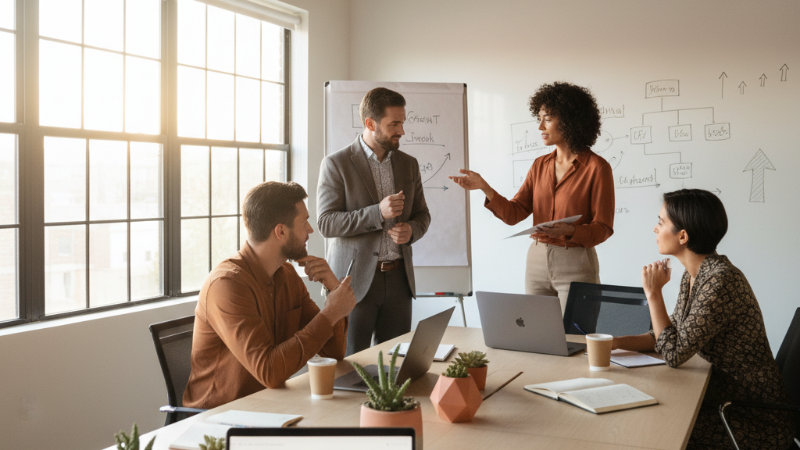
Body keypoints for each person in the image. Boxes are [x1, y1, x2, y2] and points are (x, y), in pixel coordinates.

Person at [613, 189, 794, 449]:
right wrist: (614, 343)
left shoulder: (720, 280)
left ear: (683, 236)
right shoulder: (694, 275)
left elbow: (673, 353)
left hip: (750, 419)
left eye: (661, 222)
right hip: (722, 401)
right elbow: (667, 336)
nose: (655, 228)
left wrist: (653, 294)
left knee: (657, 426)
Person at [183, 181, 355, 409]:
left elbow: (333, 352)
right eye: (304, 222)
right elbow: (269, 372)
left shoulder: (287, 275)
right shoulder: (226, 285)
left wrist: (334, 289)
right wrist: (331, 312)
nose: (310, 230)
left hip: (269, 406)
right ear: (281, 231)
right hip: (218, 417)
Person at [450, 82, 614, 313]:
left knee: (574, 333)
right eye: (539, 118)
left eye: (547, 119)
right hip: (537, 261)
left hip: (576, 262)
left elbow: (603, 228)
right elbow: (514, 214)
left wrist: (571, 231)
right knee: (537, 331)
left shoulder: (597, 167)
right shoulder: (539, 165)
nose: (540, 126)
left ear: (569, 120)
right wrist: (485, 188)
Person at [317, 87, 431, 356]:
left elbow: (423, 215)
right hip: (353, 283)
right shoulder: (336, 164)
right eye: (394, 124)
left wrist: (411, 230)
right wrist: (377, 213)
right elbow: (326, 223)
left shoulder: (409, 164)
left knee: (395, 362)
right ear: (370, 124)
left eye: (402, 123)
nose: (402, 131)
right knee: (351, 362)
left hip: (400, 282)